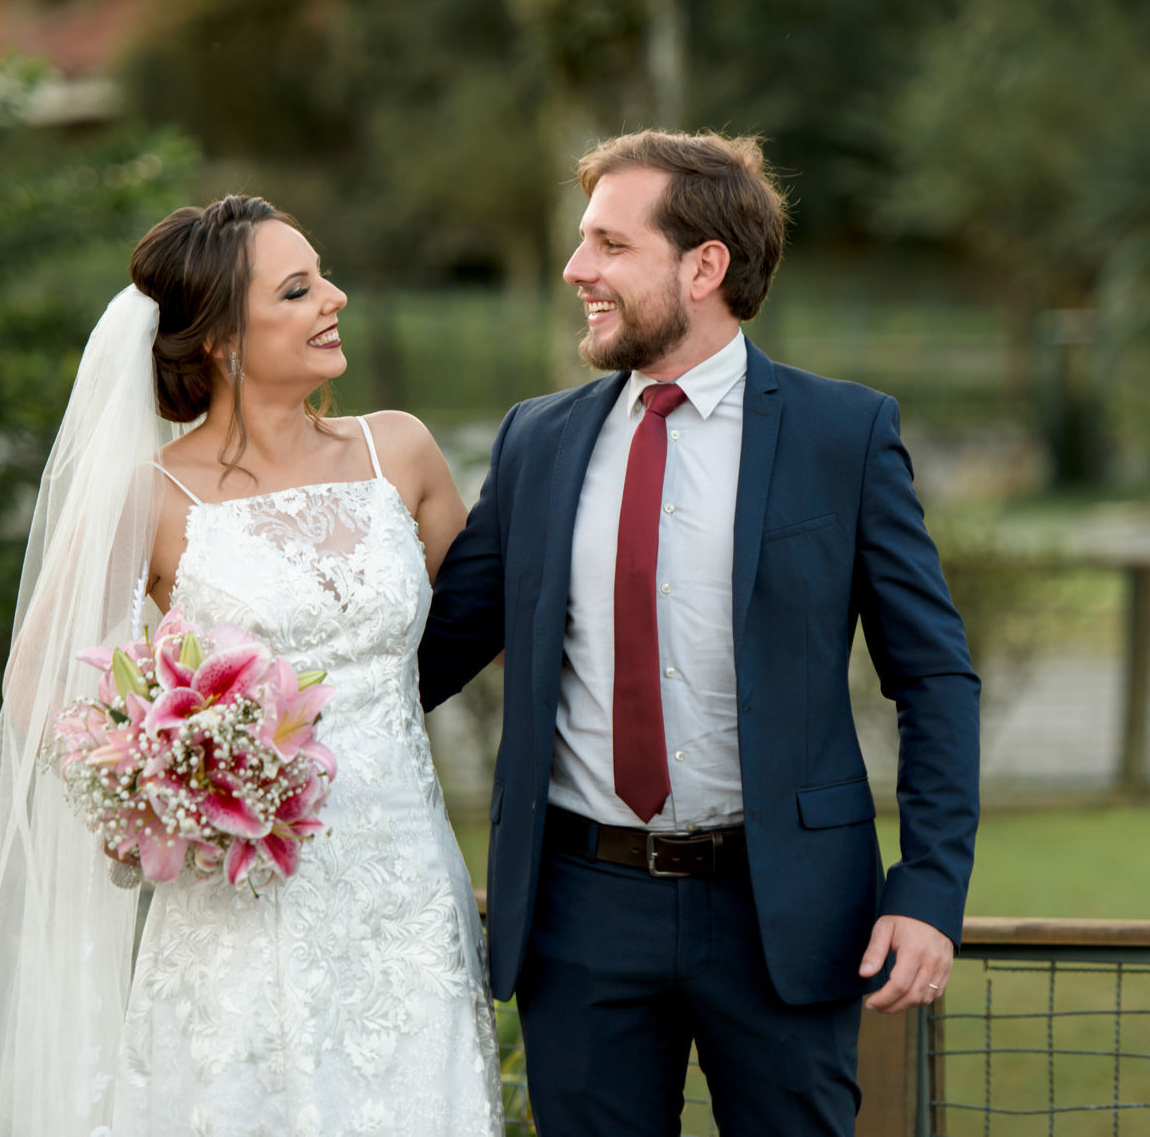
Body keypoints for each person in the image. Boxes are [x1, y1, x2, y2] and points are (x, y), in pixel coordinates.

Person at [419, 130, 980, 1135]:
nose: (575, 270)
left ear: (705, 265)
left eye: (608, 244)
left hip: (784, 916)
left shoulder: (841, 435)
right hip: (578, 913)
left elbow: (933, 677)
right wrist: (252, 728)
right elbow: (432, 652)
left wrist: (930, 886)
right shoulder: (538, 440)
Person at [0, 195, 501, 1137]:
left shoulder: (400, 450)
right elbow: (34, 677)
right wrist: (146, 791)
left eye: (322, 275)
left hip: (406, 899)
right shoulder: (153, 496)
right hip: (239, 905)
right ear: (217, 338)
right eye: (297, 290)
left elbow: (488, 617)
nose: (334, 298)